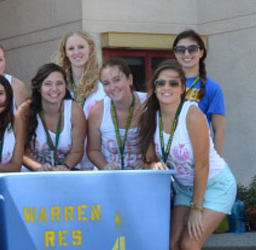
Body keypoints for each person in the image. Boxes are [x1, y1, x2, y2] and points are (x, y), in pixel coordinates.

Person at [137, 60, 236, 249]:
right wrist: (153, 165)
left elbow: (202, 165)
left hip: (216, 185)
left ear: (182, 88)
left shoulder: (192, 114)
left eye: (173, 83)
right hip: (185, 189)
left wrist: (196, 209)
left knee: (189, 244)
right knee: (171, 244)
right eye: (161, 83)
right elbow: (150, 159)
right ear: (155, 87)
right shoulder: (149, 116)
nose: (167, 87)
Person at [21, 63, 86, 171]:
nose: (54, 89)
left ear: (65, 86)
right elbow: (20, 152)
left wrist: (65, 166)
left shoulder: (75, 111)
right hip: (33, 173)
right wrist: (38, 168)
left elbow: (77, 151)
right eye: (48, 84)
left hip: (65, 173)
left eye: (59, 83)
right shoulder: (25, 111)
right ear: (39, 87)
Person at [55, 30, 105, 170]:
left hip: (97, 165)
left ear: (91, 48)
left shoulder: (103, 86)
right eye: (71, 48)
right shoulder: (58, 88)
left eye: (81, 47)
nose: (76, 52)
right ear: (65, 52)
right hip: (67, 165)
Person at [86, 58, 148, 170]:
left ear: (130, 79)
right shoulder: (97, 111)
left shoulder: (148, 103)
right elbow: (93, 150)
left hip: (142, 175)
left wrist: (147, 163)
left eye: (117, 80)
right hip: (112, 177)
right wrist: (105, 166)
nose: (112, 87)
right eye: (106, 83)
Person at [173, 30, 225, 155]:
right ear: (175, 53)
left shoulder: (212, 88)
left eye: (192, 49)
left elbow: (219, 131)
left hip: (198, 154)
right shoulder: (166, 84)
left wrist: (215, 163)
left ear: (201, 52)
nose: (186, 53)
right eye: (181, 49)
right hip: (170, 151)